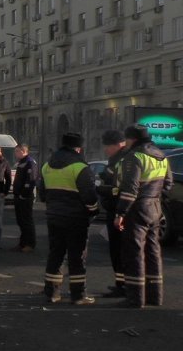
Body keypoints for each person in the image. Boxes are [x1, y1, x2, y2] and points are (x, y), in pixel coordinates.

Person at [114, 125, 173, 308]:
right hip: (155, 208)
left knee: (135, 252)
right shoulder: (162, 156)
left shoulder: (134, 157)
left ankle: (135, 298)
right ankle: (155, 296)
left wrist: (120, 213)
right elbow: (168, 184)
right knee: (153, 251)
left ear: (132, 139)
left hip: (137, 209)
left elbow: (130, 190)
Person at [37, 132, 98, 305]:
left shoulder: (47, 166)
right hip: (76, 218)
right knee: (76, 257)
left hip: (54, 216)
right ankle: (78, 295)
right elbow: (89, 197)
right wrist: (93, 211)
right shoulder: (80, 167)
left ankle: (51, 293)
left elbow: (42, 194)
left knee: (56, 254)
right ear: (78, 148)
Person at [96, 130, 129, 298]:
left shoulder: (123, 159)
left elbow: (120, 187)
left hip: (119, 209)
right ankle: (121, 284)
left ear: (117, 145)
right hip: (117, 208)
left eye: (108, 147)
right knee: (117, 250)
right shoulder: (116, 158)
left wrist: (101, 188)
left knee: (119, 249)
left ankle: (123, 286)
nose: (106, 150)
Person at [11, 143, 37, 253]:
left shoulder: (30, 163)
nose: (15, 153)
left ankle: (30, 244)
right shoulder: (21, 163)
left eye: (17, 151)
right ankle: (22, 243)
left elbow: (30, 181)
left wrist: (23, 195)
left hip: (25, 197)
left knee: (27, 221)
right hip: (18, 196)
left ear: (23, 151)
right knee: (21, 220)